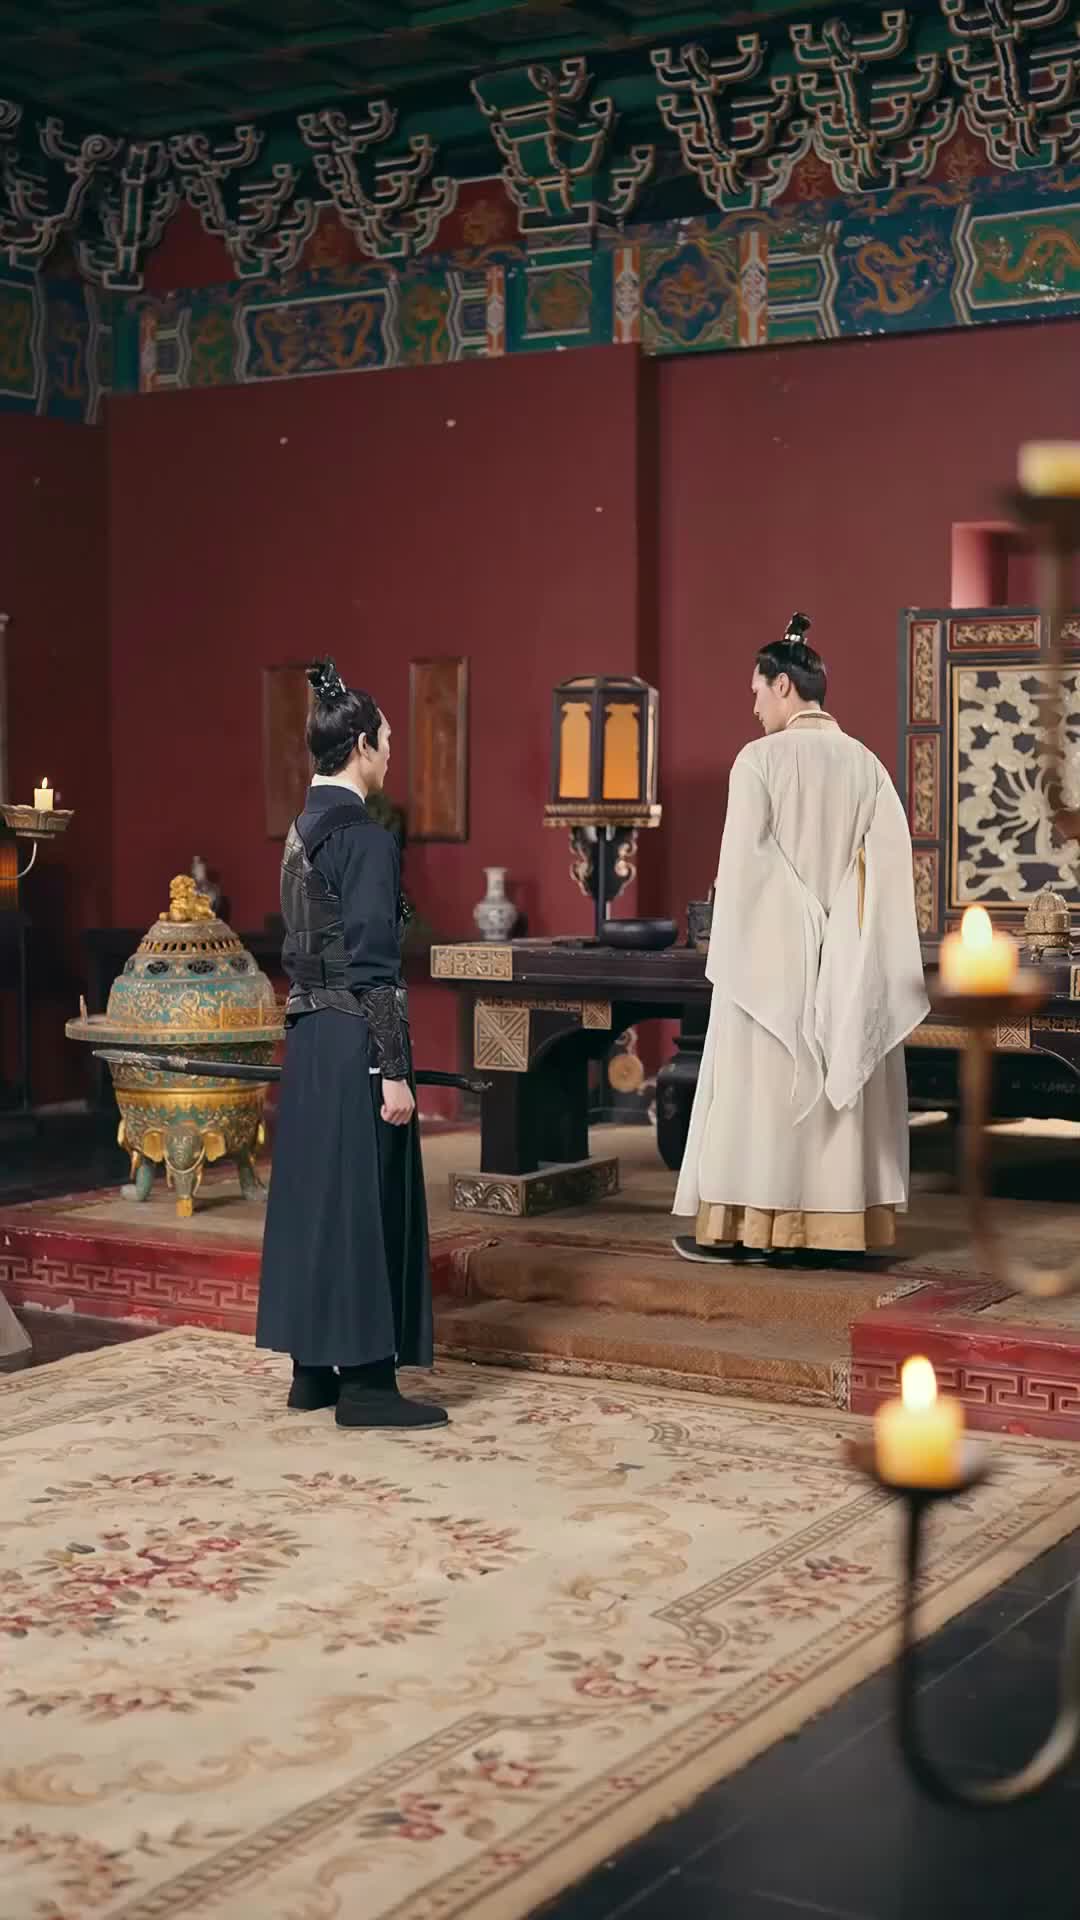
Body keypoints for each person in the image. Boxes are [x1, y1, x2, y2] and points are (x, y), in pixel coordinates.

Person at [672, 614, 928, 1265]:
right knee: (840, 1078)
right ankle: (840, 1228)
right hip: (851, 958)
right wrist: (838, 934)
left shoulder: (758, 760)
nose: (754, 706)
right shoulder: (868, 766)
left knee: (760, 1094)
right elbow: (889, 874)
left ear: (783, 684)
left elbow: (744, 868)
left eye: (757, 690)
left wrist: (798, 928)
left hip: (770, 959)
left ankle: (756, 1226)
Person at [256, 659, 446, 1428]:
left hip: (308, 1040)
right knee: (367, 1199)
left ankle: (312, 1371)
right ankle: (367, 1384)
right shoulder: (365, 837)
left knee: (319, 1197)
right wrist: (394, 1070)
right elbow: (373, 966)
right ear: (362, 744)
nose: (392, 754)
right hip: (353, 1039)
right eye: (388, 741)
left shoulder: (301, 830)